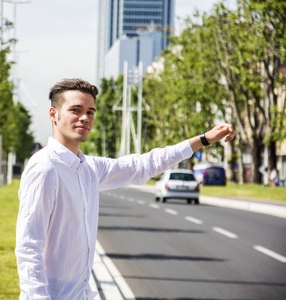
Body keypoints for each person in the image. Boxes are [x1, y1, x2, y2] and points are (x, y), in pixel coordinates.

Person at [15, 78, 236, 299]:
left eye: (90, 112)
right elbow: (29, 246)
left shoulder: (88, 168)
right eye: (76, 110)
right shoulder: (45, 168)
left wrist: (204, 139)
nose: (85, 118)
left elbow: (144, 164)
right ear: (53, 114)